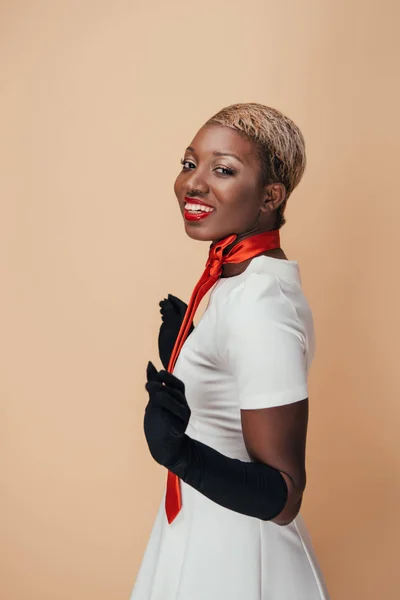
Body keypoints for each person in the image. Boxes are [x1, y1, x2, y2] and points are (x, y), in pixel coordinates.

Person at [130, 103, 330, 599]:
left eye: (223, 170)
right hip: (200, 531)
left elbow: (284, 496)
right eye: (188, 163)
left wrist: (178, 453)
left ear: (270, 196)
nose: (193, 184)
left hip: (237, 560)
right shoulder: (239, 282)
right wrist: (194, 344)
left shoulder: (260, 304)